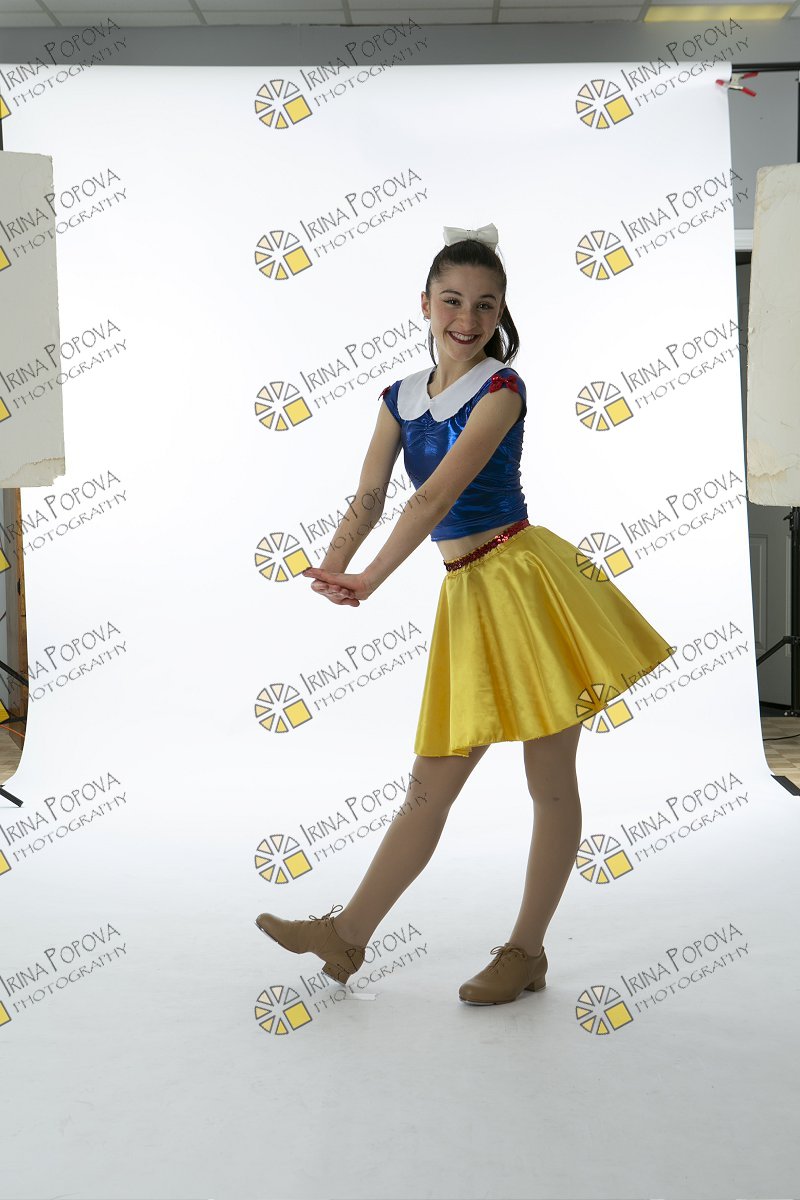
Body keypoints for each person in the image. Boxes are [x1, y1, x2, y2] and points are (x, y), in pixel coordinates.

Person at [256, 222, 674, 1006]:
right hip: (469, 598)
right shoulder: (398, 398)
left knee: (549, 777)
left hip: (528, 588)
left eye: (486, 304)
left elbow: (435, 496)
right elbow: (371, 495)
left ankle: (526, 951)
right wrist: (336, 562)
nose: (468, 317)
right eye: (452, 300)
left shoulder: (501, 390)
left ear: (500, 311)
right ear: (424, 304)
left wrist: (370, 577)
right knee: (430, 785)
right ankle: (346, 937)